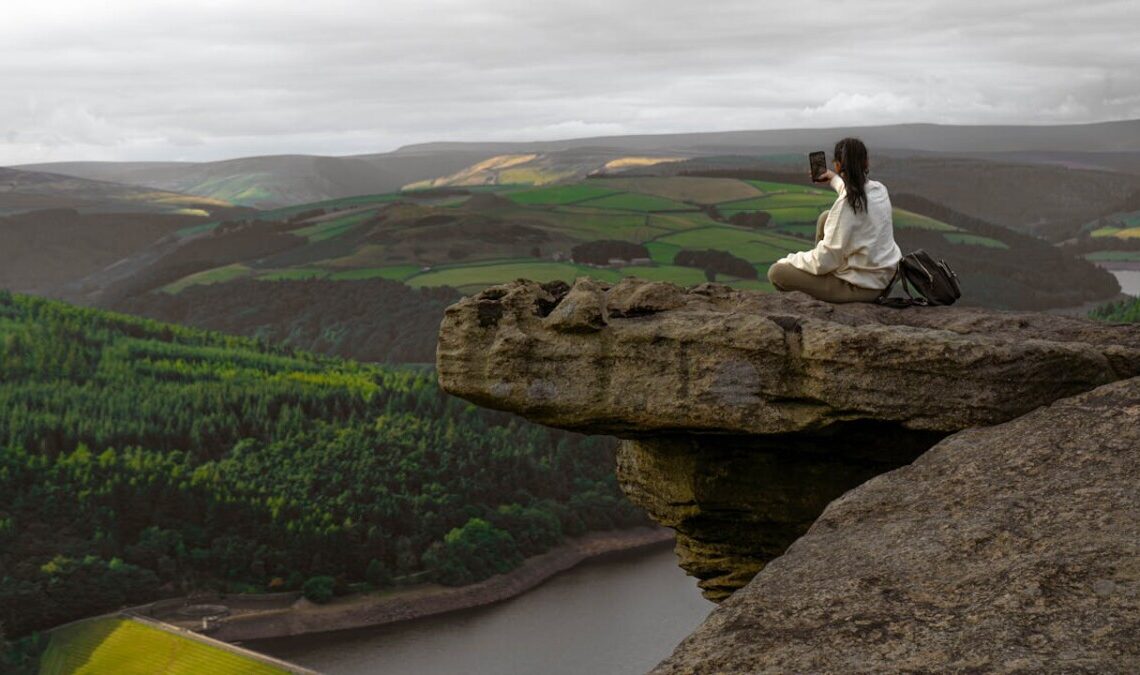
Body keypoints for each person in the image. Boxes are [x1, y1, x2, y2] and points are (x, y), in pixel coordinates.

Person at [767, 137, 901, 303]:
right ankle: (829, 277)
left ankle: (827, 287)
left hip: (861, 287)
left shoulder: (846, 207)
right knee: (825, 217)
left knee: (777, 272)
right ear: (866, 162)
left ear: (838, 165)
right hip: (884, 277)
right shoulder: (879, 190)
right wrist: (833, 178)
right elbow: (852, 190)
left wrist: (789, 260)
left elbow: (824, 260)